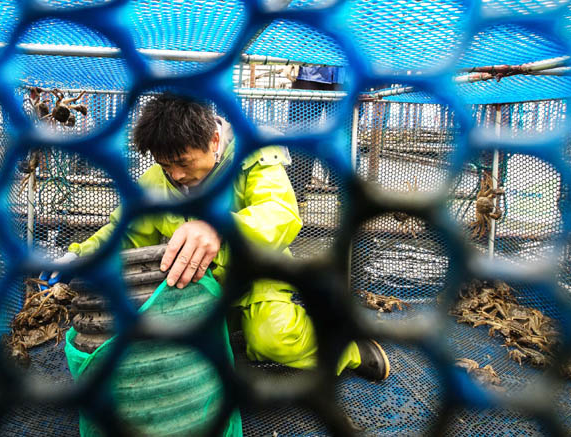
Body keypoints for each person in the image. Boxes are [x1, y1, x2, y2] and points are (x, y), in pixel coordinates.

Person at [45, 93, 388, 379]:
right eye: (166, 166)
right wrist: (80, 255)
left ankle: (350, 348)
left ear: (212, 141)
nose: (176, 175)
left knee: (273, 337)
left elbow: (280, 215)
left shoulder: (254, 157)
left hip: (256, 276)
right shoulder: (155, 181)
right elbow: (123, 231)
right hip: (193, 287)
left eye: (183, 162)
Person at [285, 65, 344, 215]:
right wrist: (289, 60)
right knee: (301, 135)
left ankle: (345, 194)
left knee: (344, 136)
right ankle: (295, 195)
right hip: (308, 70)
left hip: (344, 73)